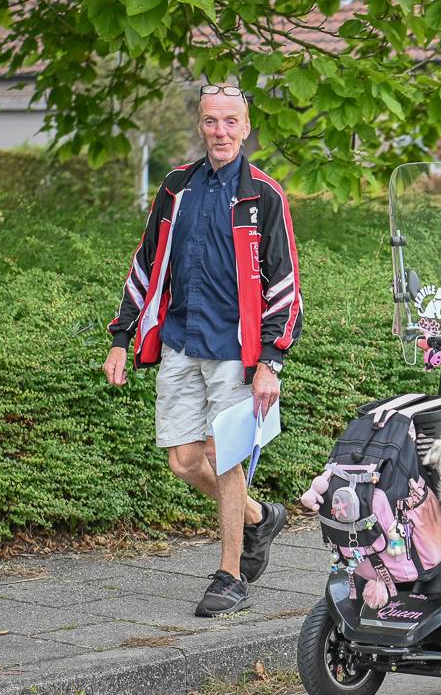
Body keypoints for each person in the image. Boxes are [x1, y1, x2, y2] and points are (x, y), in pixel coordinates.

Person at [103, 83, 302, 617]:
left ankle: (230, 575)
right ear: (200, 124)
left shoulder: (264, 195)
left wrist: (272, 361)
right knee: (184, 462)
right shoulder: (175, 188)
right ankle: (260, 518)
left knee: (226, 458)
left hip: (236, 350)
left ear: (245, 125)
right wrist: (122, 337)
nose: (221, 132)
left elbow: (285, 286)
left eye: (230, 122)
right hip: (179, 341)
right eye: (212, 121)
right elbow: (145, 264)